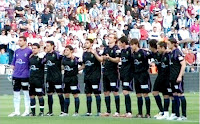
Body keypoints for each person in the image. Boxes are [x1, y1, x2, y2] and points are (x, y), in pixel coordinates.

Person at [8, 36, 32, 117]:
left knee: (26, 93)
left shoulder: (29, 51)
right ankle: (16, 111)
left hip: (25, 75)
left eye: (21, 40)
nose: (19, 42)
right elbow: (13, 62)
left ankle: (27, 110)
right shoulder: (17, 51)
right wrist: (11, 71)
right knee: (16, 94)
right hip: (16, 75)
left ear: (25, 41)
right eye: (18, 40)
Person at [79, 39, 102, 116]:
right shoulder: (84, 54)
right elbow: (84, 65)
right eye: (85, 43)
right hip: (87, 76)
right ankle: (89, 112)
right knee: (88, 93)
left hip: (95, 76)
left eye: (87, 43)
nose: (85, 44)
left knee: (96, 93)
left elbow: (101, 60)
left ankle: (99, 112)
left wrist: (95, 53)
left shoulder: (96, 53)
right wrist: (77, 69)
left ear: (91, 44)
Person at [130, 38, 151, 118]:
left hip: (143, 75)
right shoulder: (133, 54)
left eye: (132, 45)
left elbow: (149, 58)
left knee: (145, 94)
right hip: (136, 75)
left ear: (136, 44)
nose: (131, 46)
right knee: (138, 94)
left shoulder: (142, 52)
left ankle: (148, 113)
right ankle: (140, 113)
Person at [42, 41, 64, 116]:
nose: (46, 47)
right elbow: (42, 62)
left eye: (48, 46)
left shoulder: (57, 55)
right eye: (46, 46)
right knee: (49, 94)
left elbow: (63, 60)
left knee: (60, 94)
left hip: (57, 78)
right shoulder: (46, 55)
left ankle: (63, 111)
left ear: (52, 46)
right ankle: (50, 111)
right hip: (49, 78)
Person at [101, 33, 121, 117]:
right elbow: (102, 58)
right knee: (106, 92)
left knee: (115, 91)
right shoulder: (106, 49)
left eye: (111, 37)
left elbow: (117, 60)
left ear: (115, 39)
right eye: (109, 37)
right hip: (105, 72)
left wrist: (109, 58)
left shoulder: (116, 49)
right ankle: (108, 111)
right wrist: (104, 59)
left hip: (113, 73)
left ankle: (117, 111)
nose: (109, 38)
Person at [167, 38, 187, 121]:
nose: (168, 45)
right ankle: (177, 114)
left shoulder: (177, 52)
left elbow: (183, 64)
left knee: (180, 94)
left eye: (169, 44)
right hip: (172, 77)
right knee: (174, 95)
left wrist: (180, 76)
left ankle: (184, 115)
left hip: (177, 77)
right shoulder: (172, 53)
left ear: (172, 44)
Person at [61, 45, 80, 116]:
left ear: (71, 51)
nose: (65, 51)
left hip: (73, 79)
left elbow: (83, 64)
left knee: (75, 95)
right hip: (66, 78)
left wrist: (77, 70)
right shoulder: (63, 59)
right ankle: (66, 112)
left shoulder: (75, 59)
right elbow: (62, 67)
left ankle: (76, 112)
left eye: (67, 50)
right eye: (65, 50)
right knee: (66, 95)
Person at [154, 41, 171, 120]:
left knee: (166, 95)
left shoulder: (168, 55)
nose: (157, 50)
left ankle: (166, 112)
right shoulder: (160, 55)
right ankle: (163, 111)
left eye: (158, 48)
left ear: (163, 47)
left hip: (167, 77)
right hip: (160, 76)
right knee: (155, 92)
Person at [117, 36, 133, 118]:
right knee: (124, 92)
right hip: (123, 73)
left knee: (125, 92)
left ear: (123, 43)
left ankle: (129, 112)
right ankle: (127, 112)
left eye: (120, 43)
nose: (119, 45)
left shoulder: (130, 50)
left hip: (128, 73)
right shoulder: (122, 51)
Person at [29, 43, 45, 116]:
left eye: (35, 48)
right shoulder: (30, 57)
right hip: (31, 79)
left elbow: (45, 60)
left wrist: (41, 55)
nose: (33, 49)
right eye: (32, 48)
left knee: (40, 95)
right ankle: (33, 112)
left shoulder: (41, 57)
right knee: (32, 95)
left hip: (39, 79)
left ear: (38, 49)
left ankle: (41, 112)